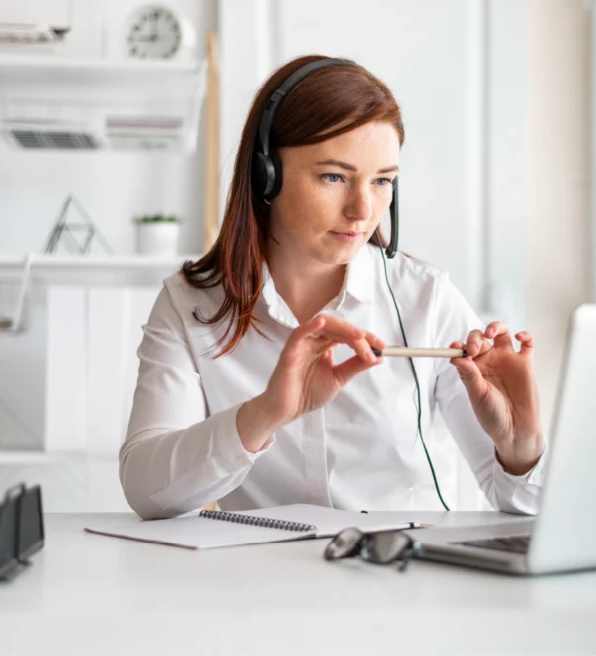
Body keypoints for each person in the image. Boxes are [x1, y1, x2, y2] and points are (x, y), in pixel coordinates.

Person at [120, 56, 548, 520]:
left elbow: (521, 504)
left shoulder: (428, 299)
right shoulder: (190, 305)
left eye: (382, 181)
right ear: (268, 174)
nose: (362, 210)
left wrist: (519, 446)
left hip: (406, 578)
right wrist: (265, 413)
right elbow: (147, 494)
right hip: (264, 582)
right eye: (334, 177)